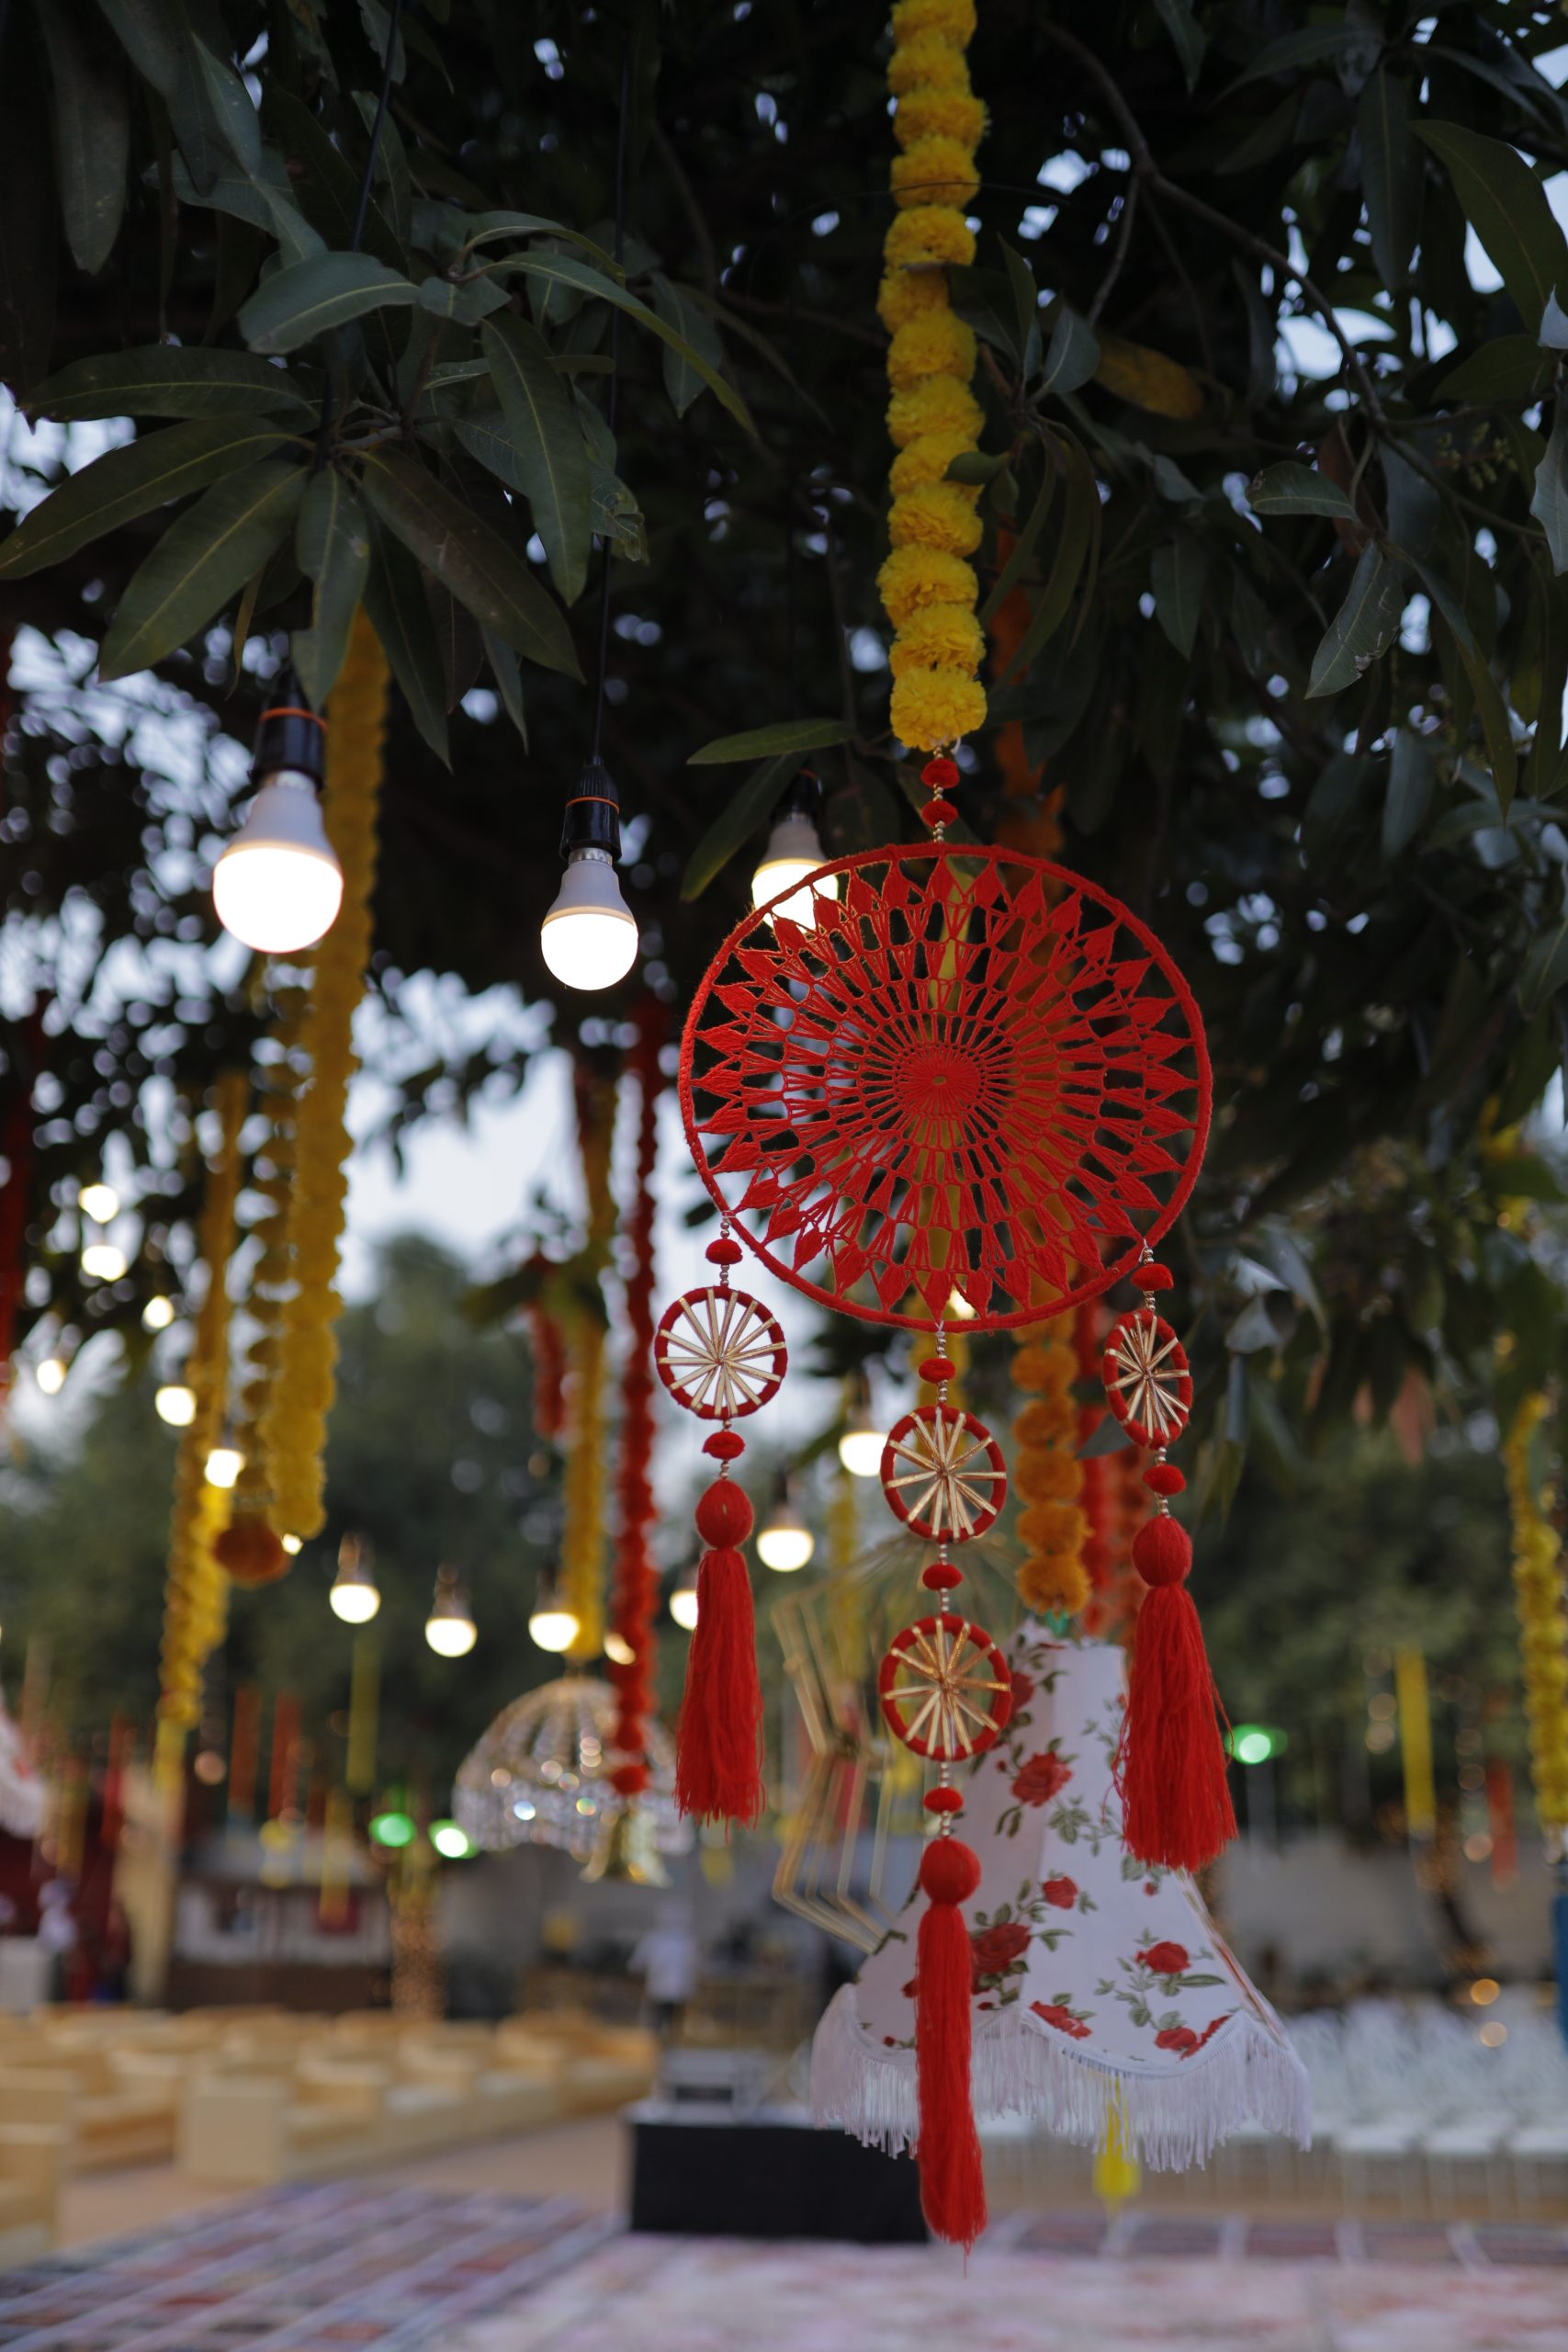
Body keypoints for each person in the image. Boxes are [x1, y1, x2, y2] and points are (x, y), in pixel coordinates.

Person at [631, 1904, 699, 2041]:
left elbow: (638, 1962)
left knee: (668, 2017)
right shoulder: (661, 1939)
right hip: (664, 1987)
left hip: (668, 1987)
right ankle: (661, 2040)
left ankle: (666, 2039)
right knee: (662, 2017)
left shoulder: (684, 1940)